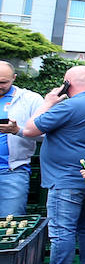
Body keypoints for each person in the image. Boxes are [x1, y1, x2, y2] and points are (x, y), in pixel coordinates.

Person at [22, 66, 85, 264]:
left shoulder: (68, 106)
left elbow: (30, 129)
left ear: (67, 84)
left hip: (66, 177)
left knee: (62, 231)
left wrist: (47, 102)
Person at [0, 61, 44, 216]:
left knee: (10, 223)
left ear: (14, 78)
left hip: (12, 172)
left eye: (3, 82)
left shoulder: (30, 99)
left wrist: (18, 131)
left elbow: (46, 133)